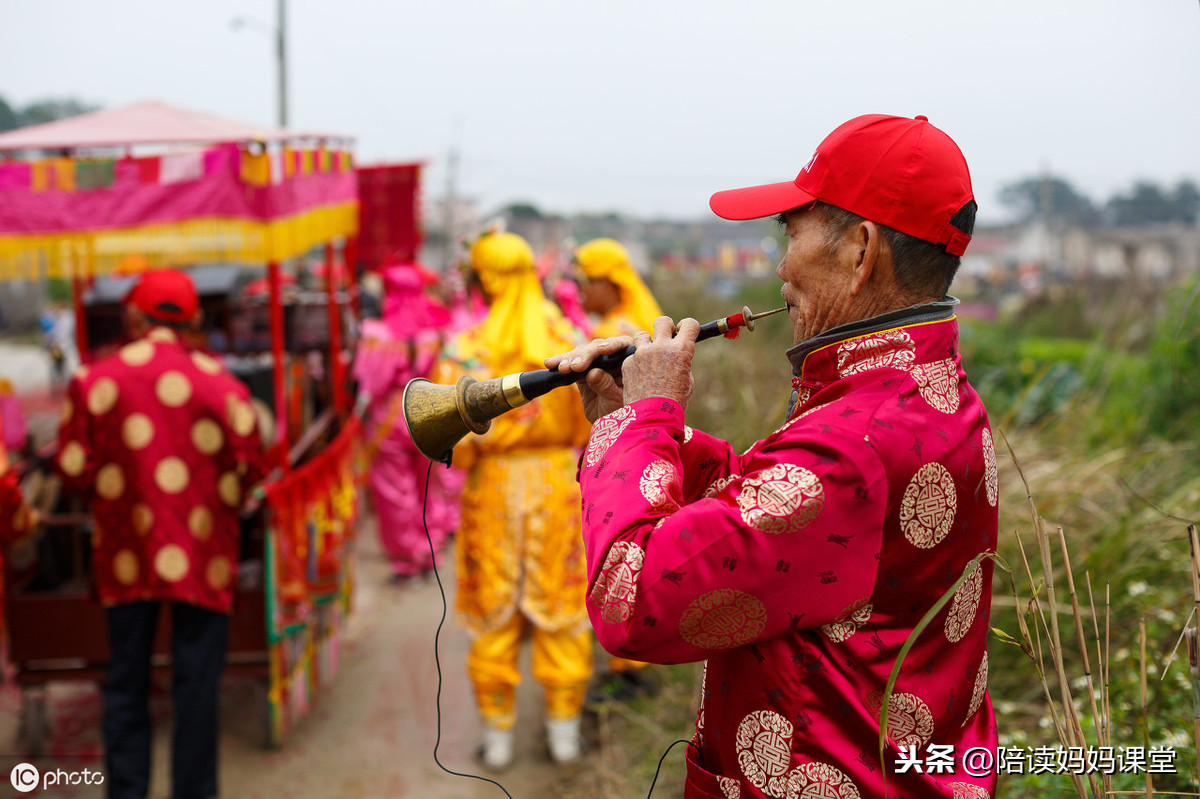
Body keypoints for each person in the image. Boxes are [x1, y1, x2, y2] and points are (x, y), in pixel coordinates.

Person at [546, 114, 999, 798]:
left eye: (791, 235)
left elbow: (631, 600)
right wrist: (631, 419)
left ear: (860, 251)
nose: (781, 269)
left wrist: (645, 421)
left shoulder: (855, 442)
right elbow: (781, 521)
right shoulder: (932, 391)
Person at [55, 268, 264, 799]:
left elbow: (73, 467)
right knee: (197, 689)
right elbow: (250, 469)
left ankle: (127, 790)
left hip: (127, 553)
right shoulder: (225, 386)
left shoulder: (95, 380)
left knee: (126, 682)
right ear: (194, 319)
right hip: (204, 554)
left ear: (133, 316)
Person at [429, 231, 594, 770]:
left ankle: (497, 734)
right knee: (562, 610)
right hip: (555, 485)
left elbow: (445, 432)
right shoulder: (569, 335)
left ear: (486, 279)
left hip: (493, 490)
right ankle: (563, 730)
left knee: (494, 613)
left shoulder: (465, 348)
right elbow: (589, 421)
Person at [352, 261, 464, 581]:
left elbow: (370, 384)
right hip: (432, 411)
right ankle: (432, 548)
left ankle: (408, 557)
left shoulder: (379, 335)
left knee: (394, 490)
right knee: (430, 485)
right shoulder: (438, 332)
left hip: (391, 417)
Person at [574, 237, 664, 338]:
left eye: (582, 282)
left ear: (605, 284)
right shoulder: (634, 319)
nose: (579, 290)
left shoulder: (612, 335)